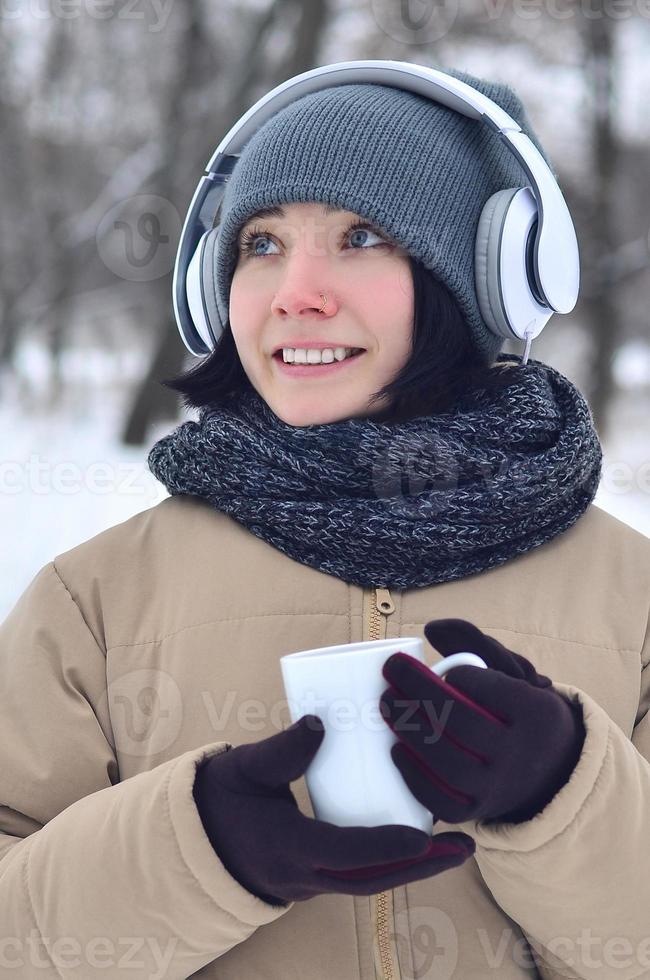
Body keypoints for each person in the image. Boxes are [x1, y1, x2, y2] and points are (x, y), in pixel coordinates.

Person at [1, 66, 649, 980]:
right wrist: (196, 854)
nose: (295, 291)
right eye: (259, 244)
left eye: (361, 236)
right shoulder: (95, 601)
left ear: (488, 278)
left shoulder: (635, 598)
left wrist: (565, 795)